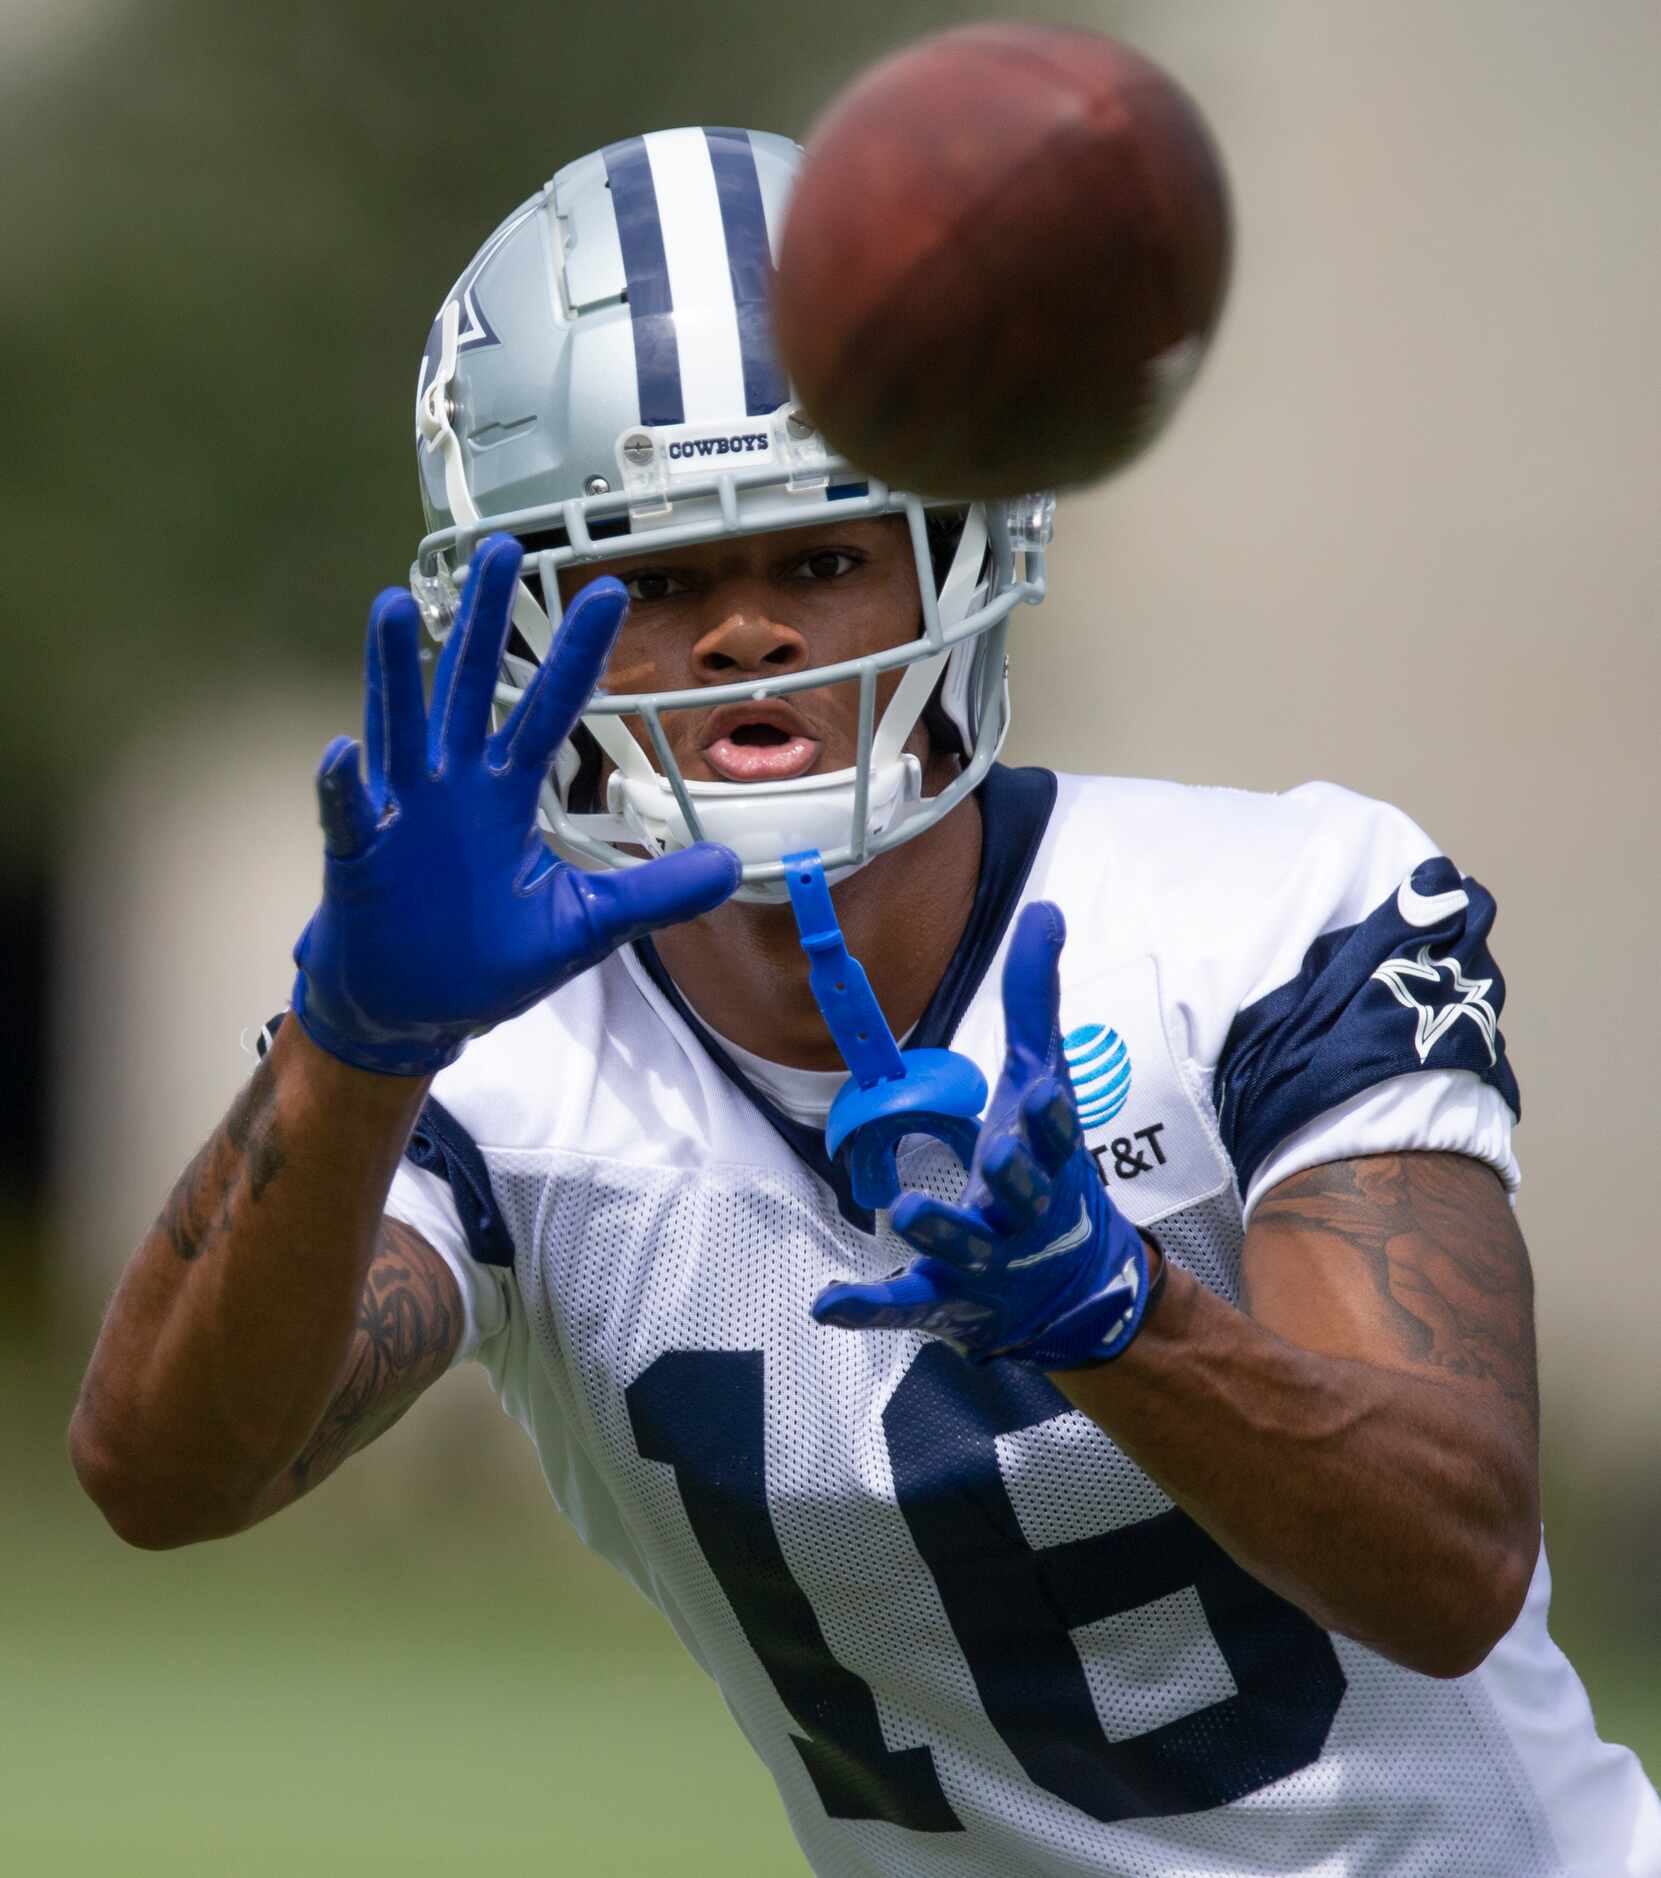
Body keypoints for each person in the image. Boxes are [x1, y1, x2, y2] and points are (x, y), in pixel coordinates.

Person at [70, 126, 1659, 1876]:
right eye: (654, 575)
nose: (745, 634)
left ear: (955, 553)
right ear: (518, 618)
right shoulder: (503, 1062)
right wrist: (352, 1049)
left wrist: (1111, 1308)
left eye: (819, 557)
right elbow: (163, 1476)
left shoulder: (1273, 916)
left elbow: (1450, 1564)